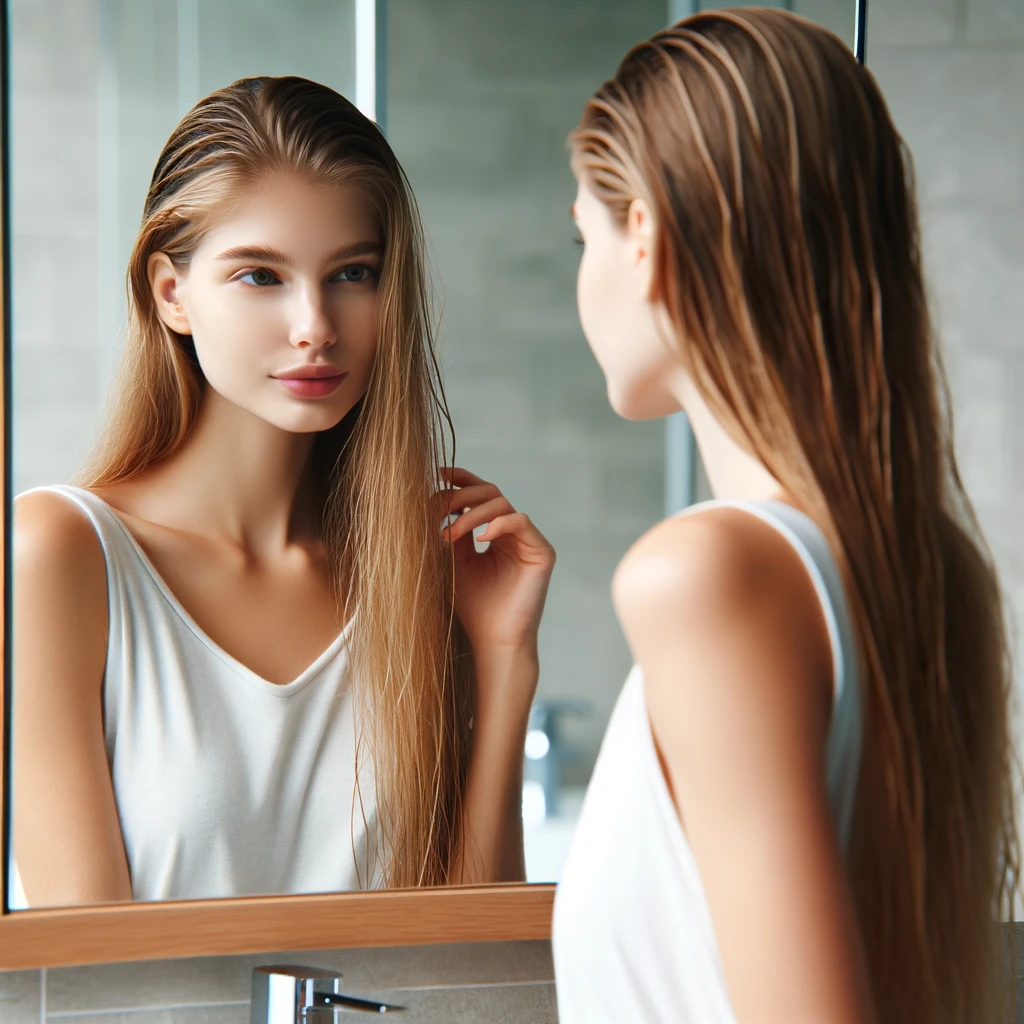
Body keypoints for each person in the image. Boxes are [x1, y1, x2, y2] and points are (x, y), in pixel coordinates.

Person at [552, 9, 1019, 1024]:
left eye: (580, 232)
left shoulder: (707, 573)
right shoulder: (929, 567)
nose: (578, 277)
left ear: (646, 236)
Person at [12, 75, 555, 906]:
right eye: (261, 276)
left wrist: (504, 655)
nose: (316, 325)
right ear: (171, 294)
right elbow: (89, 973)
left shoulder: (413, 573)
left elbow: (464, 967)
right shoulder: (59, 555)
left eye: (354, 273)